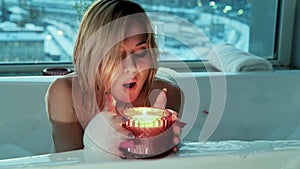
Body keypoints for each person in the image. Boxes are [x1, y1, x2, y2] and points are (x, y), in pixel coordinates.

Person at [45, 0, 184, 158]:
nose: (131, 66)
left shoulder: (167, 95)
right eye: (115, 54)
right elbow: (69, 163)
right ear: (91, 55)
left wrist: (159, 149)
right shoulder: (67, 93)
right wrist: (98, 140)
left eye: (140, 52)